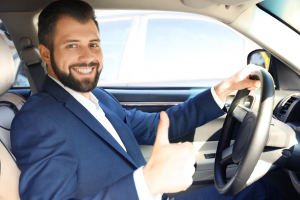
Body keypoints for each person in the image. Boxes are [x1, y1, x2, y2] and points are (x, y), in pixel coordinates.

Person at [10, 0, 285, 200]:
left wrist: (224, 89)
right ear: (45, 54)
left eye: (93, 44)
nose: (88, 56)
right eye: (72, 45)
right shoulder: (37, 120)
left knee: (257, 188)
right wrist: (147, 182)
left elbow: (155, 126)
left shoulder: (97, 97)